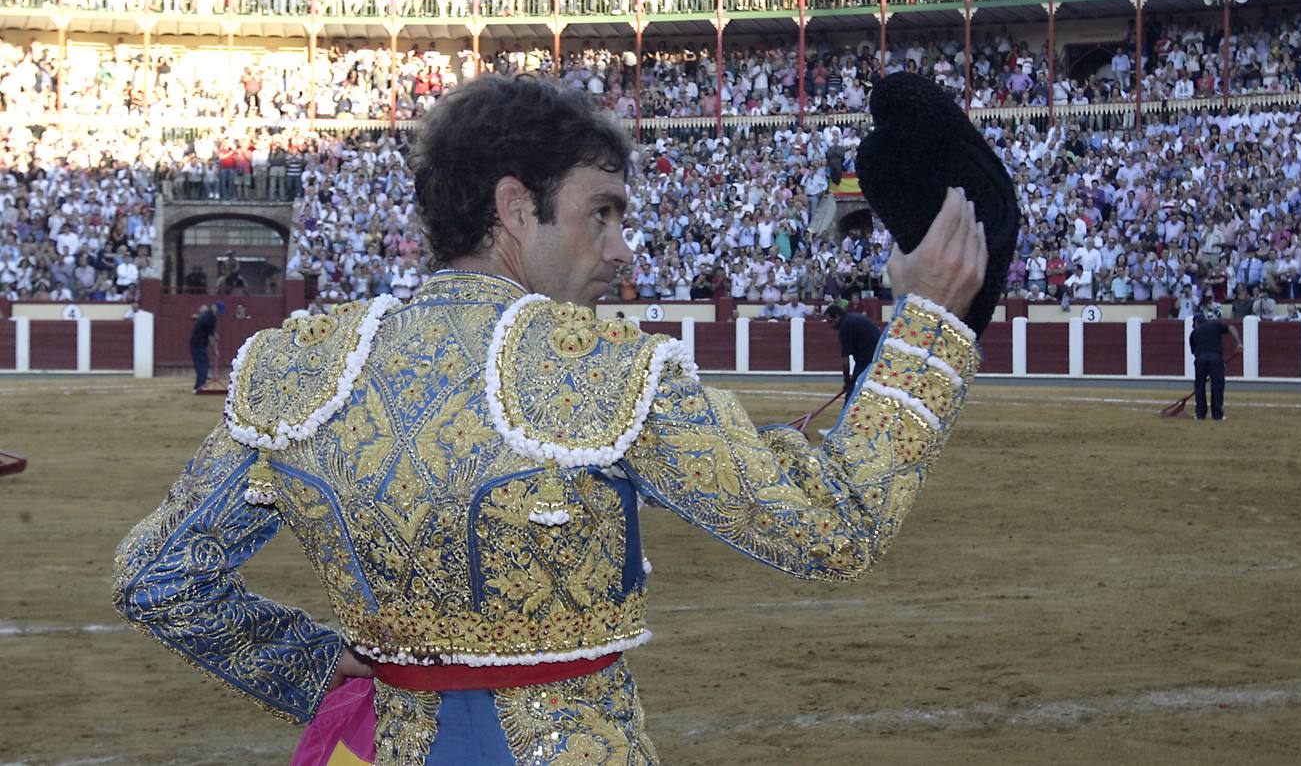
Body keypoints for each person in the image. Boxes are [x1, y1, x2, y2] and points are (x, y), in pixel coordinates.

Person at [114, 76, 990, 764]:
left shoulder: (302, 363)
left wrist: (309, 665)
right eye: (600, 213)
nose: (621, 248)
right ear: (511, 206)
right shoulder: (603, 369)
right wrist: (929, 329)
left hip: (376, 745)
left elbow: (156, 576)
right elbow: (834, 528)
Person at [1188, 312, 1242, 421]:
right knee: (1217, 386)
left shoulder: (1193, 333)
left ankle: (1200, 414)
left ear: (1196, 323)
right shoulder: (1215, 325)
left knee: (1200, 386)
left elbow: (1195, 354)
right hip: (1216, 358)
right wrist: (1239, 342)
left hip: (1201, 359)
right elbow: (1231, 327)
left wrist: (1204, 368)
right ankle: (1217, 415)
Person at [824, 303, 883, 394]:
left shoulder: (845, 327)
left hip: (868, 356)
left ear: (837, 316)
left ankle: (849, 407)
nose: (830, 326)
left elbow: (845, 359)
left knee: (854, 388)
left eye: (830, 321)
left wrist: (847, 380)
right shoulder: (852, 318)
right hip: (878, 352)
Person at [187, 301, 222, 392]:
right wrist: (215, 349)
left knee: (201, 363)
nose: (218, 313)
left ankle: (199, 385)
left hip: (197, 342)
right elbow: (210, 336)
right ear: (214, 308)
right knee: (203, 363)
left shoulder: (208, 316)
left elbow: (208, 330)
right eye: (218, 310)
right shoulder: (210, 318)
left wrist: (214, 334)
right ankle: (201, 385)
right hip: (199, 343)